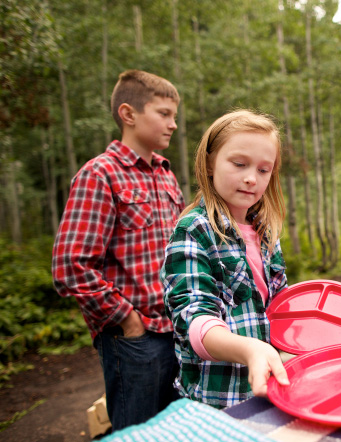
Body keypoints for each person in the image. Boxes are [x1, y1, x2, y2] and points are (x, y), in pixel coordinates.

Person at [161, 109, 341, 409]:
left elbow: (282, 311)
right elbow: (193, 320)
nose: (251, 179)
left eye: (264, 170)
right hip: (218, 399)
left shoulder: (265, 231)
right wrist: (250, 350)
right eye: (239, 164)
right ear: (210, 163)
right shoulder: (194, 230)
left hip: (269, 388)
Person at [52, 70, 185, 431]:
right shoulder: (100, 174)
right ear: (128, 114)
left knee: (175, 432)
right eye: (164, 113)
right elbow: (71, 265)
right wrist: (127, 321)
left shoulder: (165, 175)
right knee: (137, 433)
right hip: (134, 341)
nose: (173, 124)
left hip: (176, 330)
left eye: (175, 115)